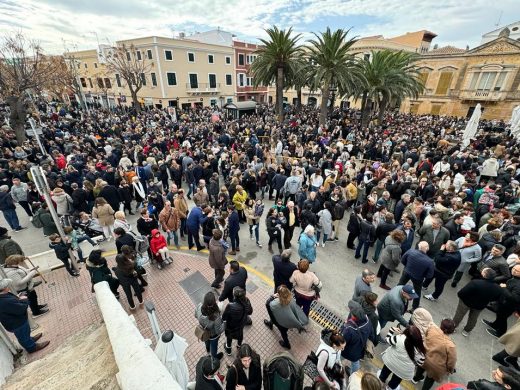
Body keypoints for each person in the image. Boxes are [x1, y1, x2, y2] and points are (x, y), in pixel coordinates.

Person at [0, 278, 50, 353]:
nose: (9, 287)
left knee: (25, 332)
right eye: (8, 286)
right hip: (17, 323)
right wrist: (24, 299)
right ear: (4, 288)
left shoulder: (4, 296)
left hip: (17, 321)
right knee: (23, 336)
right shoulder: (5, 301)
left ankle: (30, 339)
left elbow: (13, 304)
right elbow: (21, 309)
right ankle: (32, 347)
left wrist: (18, 297)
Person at [411, 311, 457, 390]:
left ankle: (416, 378)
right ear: (452, 331)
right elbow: (452, 361)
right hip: (436, 366)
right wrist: (451, 369)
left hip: (424, 356)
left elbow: (425, 338)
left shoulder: (432, 329)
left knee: (421, 367)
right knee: (430, 379)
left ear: (441, 325)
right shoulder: (451, 346)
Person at [452, 268, 503, 337]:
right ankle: (467, 331)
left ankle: (453, 327)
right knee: (473, 318)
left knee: (459, 314)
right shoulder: (498, 288)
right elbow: (495, 298)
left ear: (484, 274)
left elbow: (462, 292)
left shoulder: (475, 282)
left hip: (466, 302)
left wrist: (460, 296)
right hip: (480, 305)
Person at [379, 325, 426, 390]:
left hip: (391, 362)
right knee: (395, 381)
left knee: (383, 375)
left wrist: (391, 329)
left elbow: (388, 340)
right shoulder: (420, 350)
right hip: (403, 370)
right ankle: (389, 388)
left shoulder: (400, 338)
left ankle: (379, 384)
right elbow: (420, 363)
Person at [264, 285, 308, 349]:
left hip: (280, 322)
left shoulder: (274, 304)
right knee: (283, 331)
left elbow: (268, 304)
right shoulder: (290, 298)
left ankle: (287, 344)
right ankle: (270, 324)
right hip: (287, 322)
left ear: (279, 294)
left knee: (283, 333)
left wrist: (272, 297)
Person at [484, 264, 520, 338]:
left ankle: (500, 333)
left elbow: (514, 298)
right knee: (499, 315)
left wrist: (504, 288)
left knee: (503, 318)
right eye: (513, 268)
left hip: (508, 306)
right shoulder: (515, 278)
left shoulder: (518, 284)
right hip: (504, 302)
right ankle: (494, 325)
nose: (514, 271)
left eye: (517, 270)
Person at [340, 300, 375, 374]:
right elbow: (372, 335)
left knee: (338, 357)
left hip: (347, 350)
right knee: (355, 362)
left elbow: (342, 340)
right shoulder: (368, 321)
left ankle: (333, 364)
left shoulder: (349, 329)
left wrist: (343, 326)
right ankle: (354, 375)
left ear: (355, 317)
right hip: (359, 349)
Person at [398, 241, 434, 310]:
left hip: (407, 272)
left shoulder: (411, 251)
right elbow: (429, 275)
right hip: (418, 278)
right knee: (417, 292)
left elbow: (403, 260)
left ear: (418, 246)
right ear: (427, 248)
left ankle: (394, 295)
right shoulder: (430, 261)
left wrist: (407, 267)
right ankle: (414, 307)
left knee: (400, 285)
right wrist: (422, 275)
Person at [222, 287, 253, 355]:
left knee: (229, 338)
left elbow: (224, 317)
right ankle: (239, 347)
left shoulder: (230, 306)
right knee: (240, 336)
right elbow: (250, 312)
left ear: (234, 296)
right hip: (241, 325)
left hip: (231, 327)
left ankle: (229, 351)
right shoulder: (247, 301)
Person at [195, 292, 225, 360]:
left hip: (204, 332)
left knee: (206, 340)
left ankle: (207, 349)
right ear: (214, 303)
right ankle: (214, 358)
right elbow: (218, 331)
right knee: (214, 346)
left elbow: (195, 315)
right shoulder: (215, 316)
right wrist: (225, 323)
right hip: (213, 336)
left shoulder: (199, 306)